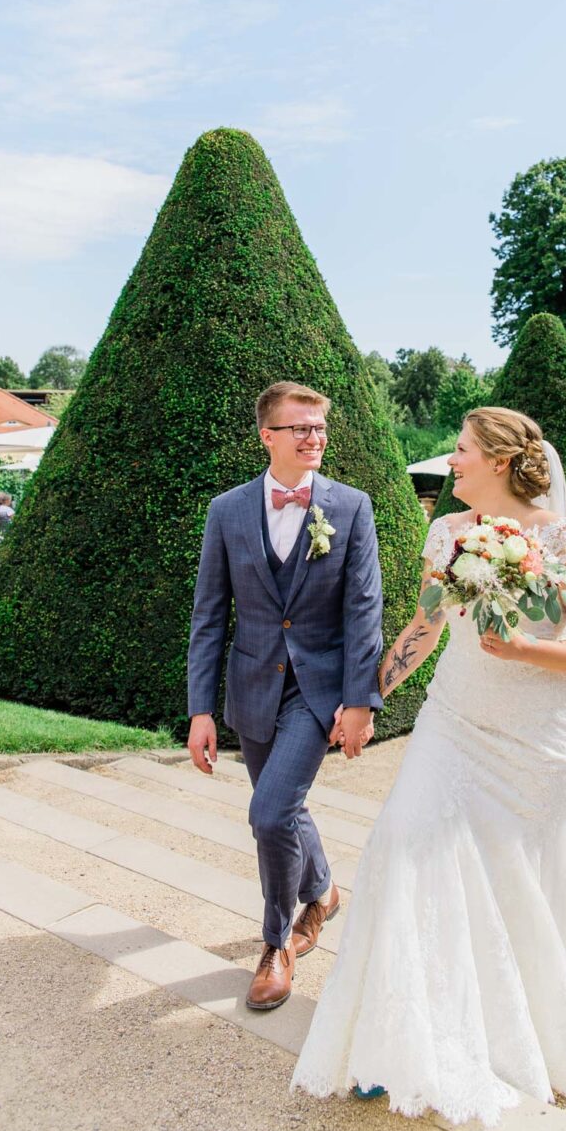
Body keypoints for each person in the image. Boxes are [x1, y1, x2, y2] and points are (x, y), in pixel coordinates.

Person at [292, 406, 566, 1125]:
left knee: (516, 876)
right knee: (403, 842)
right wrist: (366, 699)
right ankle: (401, 1032)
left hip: (537, 741)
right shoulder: (446, 534)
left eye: (463, 449)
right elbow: (424, 626)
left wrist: (524, 649)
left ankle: (517, 1025)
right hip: (454, 720)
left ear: (501, 461)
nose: (452, 461)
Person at [187, 381, 383, 1013]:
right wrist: (201, 709)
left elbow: (364, 610)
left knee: (270, 815)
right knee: (285, 810)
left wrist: (360, 700)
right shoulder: (227, 511)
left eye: (319, 427)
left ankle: (278, 943)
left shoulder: (351, 508)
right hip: (251, 688)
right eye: (299, 427)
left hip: (319, 691)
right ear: (267, 436)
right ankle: (323, 888)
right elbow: (209, 616)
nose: (313, 437)